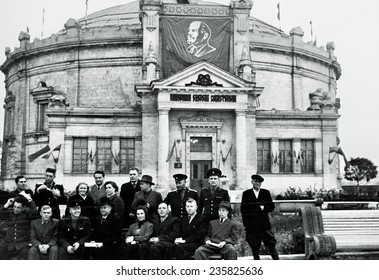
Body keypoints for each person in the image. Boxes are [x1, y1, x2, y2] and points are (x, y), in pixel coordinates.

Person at [241, 174, 279, 260]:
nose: (257, 183)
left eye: (259, 182)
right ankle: (256, 261)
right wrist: (246, 224)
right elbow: (243, 210)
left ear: (261, 183)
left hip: (264, 224)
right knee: (254, 244)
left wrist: (263, 208)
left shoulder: (265, 193)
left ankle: (276, 260)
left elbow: (271, 206)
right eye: (255, 181)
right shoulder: (246, 194)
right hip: (252, 224)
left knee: (271, 243)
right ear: (252, 182)